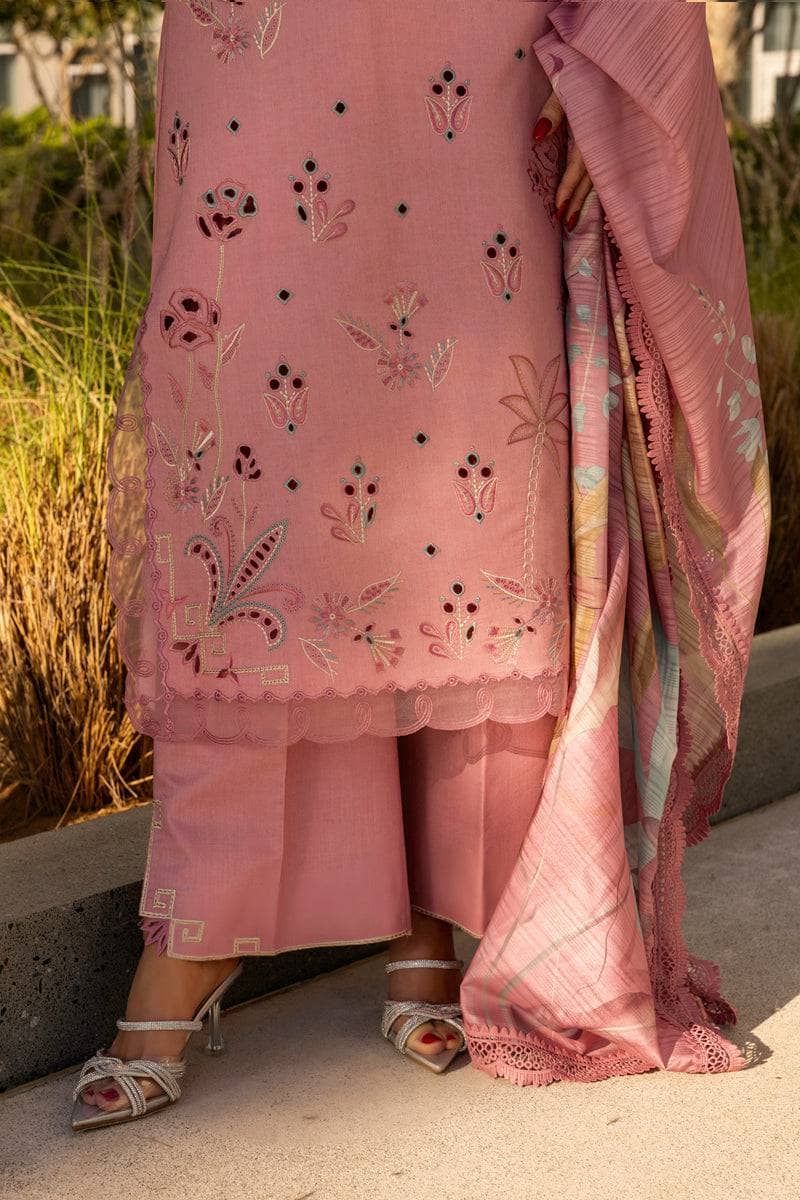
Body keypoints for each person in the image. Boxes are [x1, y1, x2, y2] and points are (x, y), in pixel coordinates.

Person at [72, 0, 770, 1130]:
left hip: (477, 47)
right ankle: (202, 928)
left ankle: (432, 926)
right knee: (250, 437)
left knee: (463, 473)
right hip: (262, 37)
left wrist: (614, 58)